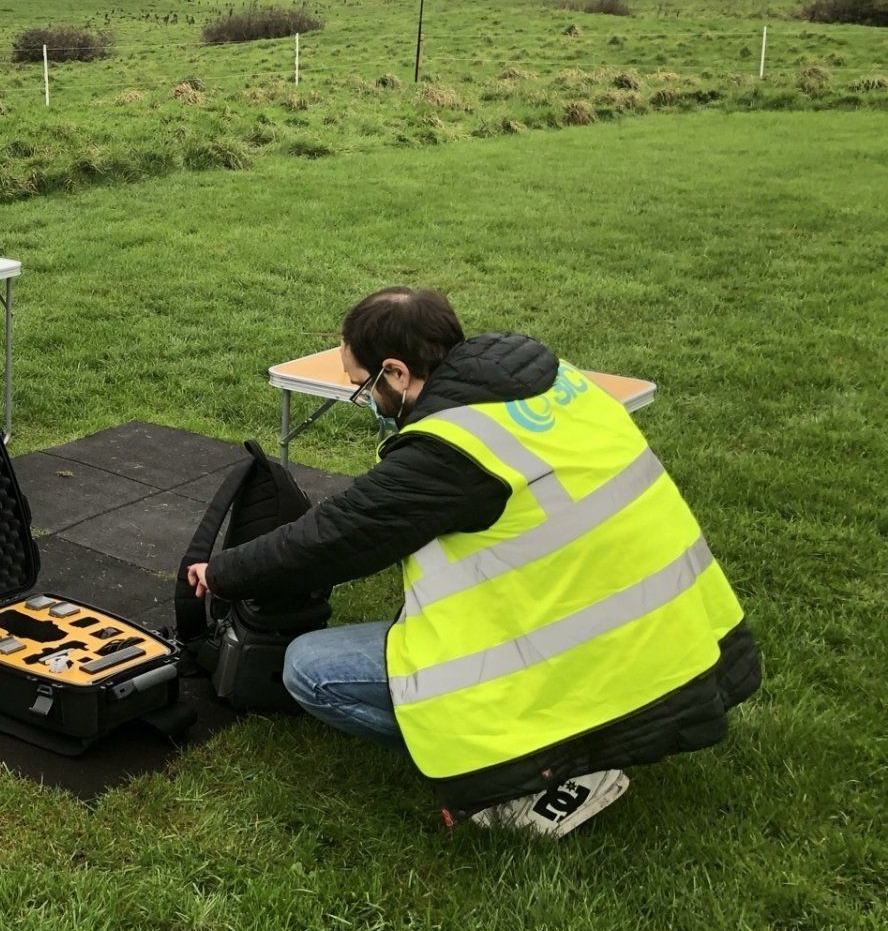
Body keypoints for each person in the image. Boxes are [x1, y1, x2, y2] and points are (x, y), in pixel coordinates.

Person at [187, 288, 760, 837]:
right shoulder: (552, 382)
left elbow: (334, 538)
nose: (368, 401)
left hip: (591, 660)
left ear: (397, 373)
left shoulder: (453, 451)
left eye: (363, 386)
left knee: (312, 669)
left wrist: (222, 572)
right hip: (678, 639)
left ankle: (535, 780)